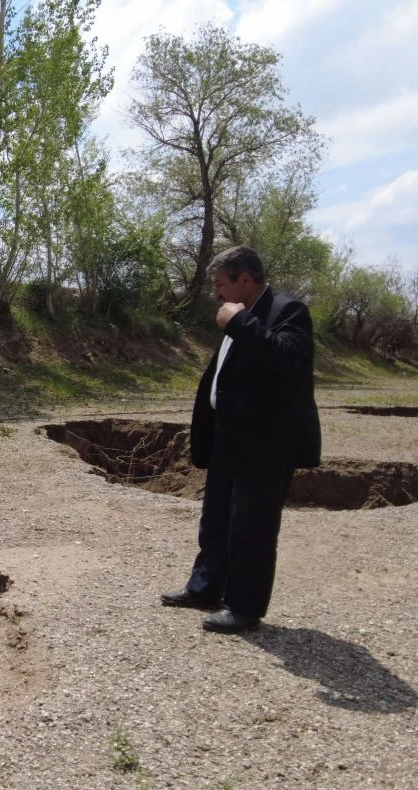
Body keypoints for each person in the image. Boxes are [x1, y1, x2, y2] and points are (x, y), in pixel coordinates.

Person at [160, 245, 321, 633]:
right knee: (215, 519)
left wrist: (239, 322)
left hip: (266, 445)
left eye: (220, 284)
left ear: (244, 280)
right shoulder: (243, 314)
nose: (216, 294)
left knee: (253, 527)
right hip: (229, 438)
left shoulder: (288, 311)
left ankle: (244, 608)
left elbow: (287, 357)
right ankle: (205, 589)